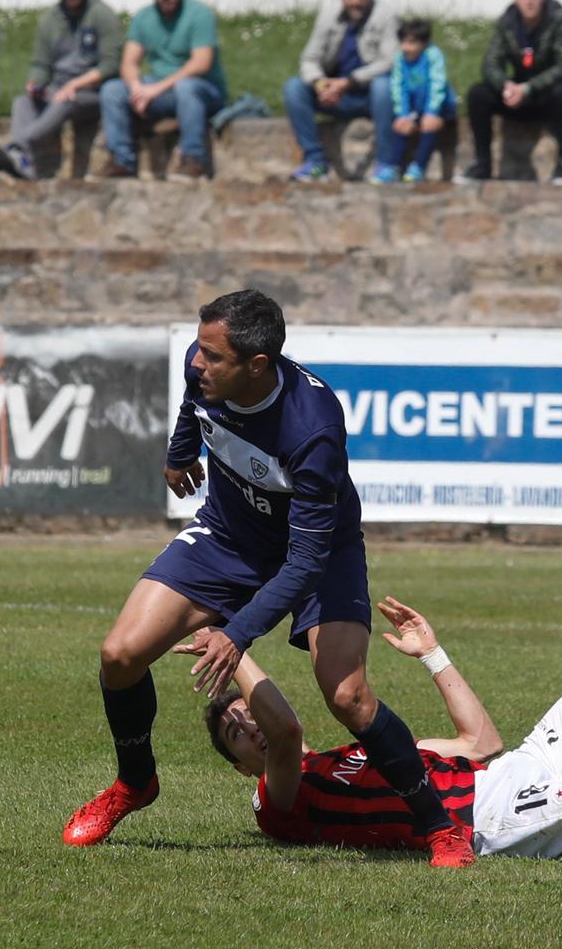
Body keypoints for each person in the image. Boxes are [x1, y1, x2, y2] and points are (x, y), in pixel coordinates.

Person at [62, 290, 473, 866]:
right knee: (120, 655)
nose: (196, 363)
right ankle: (135, 782)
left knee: (348, 697)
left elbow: (303, 562)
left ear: (257, 365)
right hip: (228, 535)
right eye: (197, 349)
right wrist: (180, 452)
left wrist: (237, 633)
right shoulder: (204, 364)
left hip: (319, 552)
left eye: (212, 357)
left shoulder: (313, 430)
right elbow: (193, 401)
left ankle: (438, 827)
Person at [201, 598, 562, 861]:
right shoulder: (278, 800)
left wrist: (433, 655)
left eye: (243, 712)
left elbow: (482, 744)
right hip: (499, 819)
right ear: (241, 767)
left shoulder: (359, 751)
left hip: (515, 770)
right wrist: (229, 635)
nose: (247, 722)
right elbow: (284, 723)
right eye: (236, 731)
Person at [0, 0, 123, 180]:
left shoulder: (102, 15)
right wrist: (36, 81)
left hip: (92, 92)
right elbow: (41, 63)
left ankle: (18, 147)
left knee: (65, 100)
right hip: (59, 87)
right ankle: (24, 162)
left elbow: (110, 64)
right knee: (23, 102)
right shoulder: (49, 20)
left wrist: (76, 84)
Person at [98, 0, 227, 182]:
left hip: (202, 89)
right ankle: (122, 160)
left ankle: (193, 159)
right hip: (160, 90)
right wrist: (137, 88)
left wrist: (154, 90)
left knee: (186, 88)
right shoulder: (143, 18)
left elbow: (200, 63)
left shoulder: (200, 15)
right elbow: (129, 62)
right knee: (112, 90)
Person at [461, 0, 562, 183]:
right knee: (478, 94)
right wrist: (505, 85)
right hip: (516, 95)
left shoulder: (559, 21)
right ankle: (482, 164)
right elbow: (490, 63)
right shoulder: (508, 22)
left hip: (545, 94)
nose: (529, 1)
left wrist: (529, 87)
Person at [283, 0, 397, 182]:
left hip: (369, 95)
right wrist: (320, 83)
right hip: (334, 94)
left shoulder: (385, 15)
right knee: (294, 88)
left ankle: (386, 163)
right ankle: (315, 162)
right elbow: (309, 58)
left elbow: (389, 61)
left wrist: (349, 81)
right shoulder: (328, 16)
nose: (356, 2)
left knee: (384, 86)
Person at [380, 19, 455, 184]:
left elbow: (438, 85)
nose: (407, 47)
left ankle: (419, 166)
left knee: (429, 126)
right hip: (415, 106)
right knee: (401, 127)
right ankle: (392, 166)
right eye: (404, 42)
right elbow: (399, 87)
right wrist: (403, 114)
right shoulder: (401, 59)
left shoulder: (433, 56)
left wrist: (432, 112)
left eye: (412, 43)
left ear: (424, 43)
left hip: (440, 106)